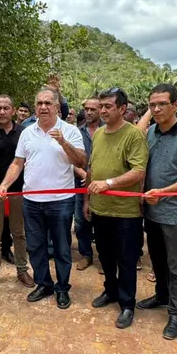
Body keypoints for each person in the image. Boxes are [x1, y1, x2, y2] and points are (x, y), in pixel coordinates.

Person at [0, 88, 86, 309]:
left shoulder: (70, 130)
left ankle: (63, 288)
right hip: (32, 201)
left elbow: (81, 162)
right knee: (36, 246)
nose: (43, 107)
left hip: (61, 201)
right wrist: (5, 184)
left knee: (62, 248)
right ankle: (44, 283)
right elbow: (18, 163)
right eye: (40, 103)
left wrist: (63, 142)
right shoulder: (27, 132)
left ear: (57, 106)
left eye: (48, 103)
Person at [136, 84, 177, 339]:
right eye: (152, 104)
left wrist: (164, 192)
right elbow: (137, 131)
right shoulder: (151, 131)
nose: (156, 109)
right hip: (151, 211)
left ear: (176, 105)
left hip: (174, 212)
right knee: (157, 258)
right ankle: (162, 296)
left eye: (162, 104)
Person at [85, 87, 147, 329]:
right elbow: (92, 168)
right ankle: (110, 291)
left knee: (127, 259)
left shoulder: (133, 135)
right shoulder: (99, 134)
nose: (102, 111)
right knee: (105, 257)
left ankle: (127, 304)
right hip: (100, 210)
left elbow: (138, 171)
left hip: (125, 213)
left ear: (122, 109)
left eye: (108, 106)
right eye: (101, 106)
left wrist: (109, 183)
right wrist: (88, 200)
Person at [0, 95, 32, 289]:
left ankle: (22, 269)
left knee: (19, 233)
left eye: (5, 108)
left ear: (13, 110)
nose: (1, 111)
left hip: (19, 190)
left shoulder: (24, 132)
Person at [74, 98, 102, 271]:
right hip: (80, 184)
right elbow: (70, 158)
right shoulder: (76, 132)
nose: (89, 112)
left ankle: (104, 257)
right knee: (81, 221)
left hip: (103, 187)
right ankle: (86, 255)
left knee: (102, 223)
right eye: (86, 109)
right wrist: (83, 173)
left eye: (93, 109)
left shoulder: (108, 131)